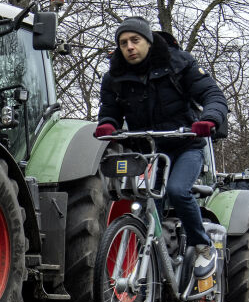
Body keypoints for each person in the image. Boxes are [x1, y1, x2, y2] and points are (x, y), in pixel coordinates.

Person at [94, 17, 228, 266]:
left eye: (135, 40)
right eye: (123, 43)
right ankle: (151, 266)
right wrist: (108, 124)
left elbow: (213, 95)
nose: (130, 47)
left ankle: (202, 246)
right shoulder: (114, 77)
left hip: (185, 145)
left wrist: (209, 119)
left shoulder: (179, 64)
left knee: (177, 191)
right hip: (148, 150)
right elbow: (110, 110)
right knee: (143, 203)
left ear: (148, 41)